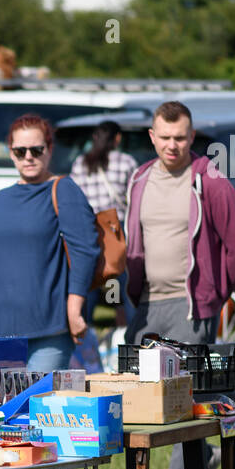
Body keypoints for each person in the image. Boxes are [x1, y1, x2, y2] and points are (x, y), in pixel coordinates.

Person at [126, 101, 235, 469]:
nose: (173, 145)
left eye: (180, 138)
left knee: (183, 401)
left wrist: (213, 296)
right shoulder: (139, 179)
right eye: (164, 137)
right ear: (152, 137)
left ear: (191, 137)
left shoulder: (210, 180)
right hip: (146, 304)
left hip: (190, 304)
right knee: (139, 398)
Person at [0, 115, 98, 370]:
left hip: (49, 332)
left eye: (36, 150)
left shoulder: (64, 190)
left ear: (49, 150)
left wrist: (74, 309)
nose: (29, 157)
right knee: (1, 410)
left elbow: (85, 252)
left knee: (37, 408)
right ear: (11, 153)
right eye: (20, 151)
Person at [71, 119, 137, 326]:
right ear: (117, 139)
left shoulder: (80, 163)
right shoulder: (126, 162)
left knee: (89, 285)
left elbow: (74, 198)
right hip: (117, 232)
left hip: (89, 230)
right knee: (127, 288)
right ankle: (135, 339)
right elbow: (135, 198)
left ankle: (84, 335)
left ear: (95, 138)